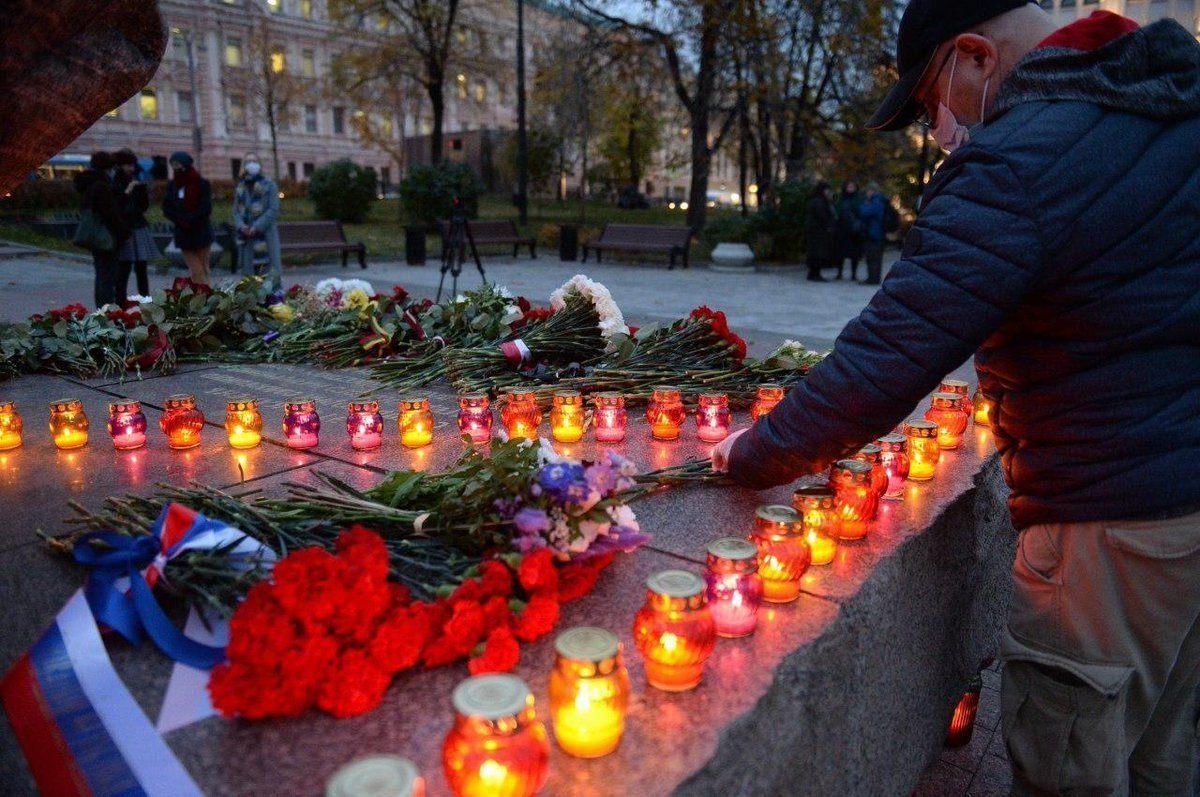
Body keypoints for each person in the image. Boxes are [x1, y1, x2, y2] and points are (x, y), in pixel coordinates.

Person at [714, 1, 1200, 792]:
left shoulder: (1021, 160)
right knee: (1164, 754)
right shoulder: (1171, 107)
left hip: (1109, 530)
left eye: (928, 102)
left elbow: (886, 360)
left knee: (1069, 758)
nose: (935, 131)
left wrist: (754, 451)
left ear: (975, 56)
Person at [73, 151, 129, 308]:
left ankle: (101, 310)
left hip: (95, 237)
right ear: (108, 168)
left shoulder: (88, 185)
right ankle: (106, 311)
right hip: (105, 237)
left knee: (101, 274)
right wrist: (124, 233)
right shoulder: (101, 186)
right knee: (107, 277)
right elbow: (110, 214)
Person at [162, 151, 213, 286]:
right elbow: (167, 208)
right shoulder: (173, 186)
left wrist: (191, 219)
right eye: (173, 165)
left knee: (204, 268)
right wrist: (180, 219)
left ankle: (206, 297)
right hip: (183, 234)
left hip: (200, 231)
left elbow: (206, 207)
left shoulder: (201, 183)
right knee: (196, 270)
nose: (176, 168)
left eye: (178, 164)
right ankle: (207, 297)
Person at [232, 153, 282, 291]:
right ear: (244, 166)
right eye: (248, 161)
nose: (251, 164)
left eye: (254, 161)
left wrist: (257, 226)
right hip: (247, 238)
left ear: (259, 164)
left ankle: (275, 303)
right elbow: (235, 212)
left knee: (270, 274)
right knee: (249, 279)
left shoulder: (269, 185)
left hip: (266, 237)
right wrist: (242, 226)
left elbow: (273, 209)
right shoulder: (240, 187)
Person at [112, 149, 154, 302]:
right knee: (124, 267)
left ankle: (146, 300)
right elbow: (118, 206)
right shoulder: (115, 182)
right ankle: (120, 302)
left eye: (132, 165)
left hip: (138, 225)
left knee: (142, 267)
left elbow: (143, 206)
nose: (130, 168)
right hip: (125, 229)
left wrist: (142, 192)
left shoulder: (136, 179)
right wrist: (128, 191)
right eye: (127, 165)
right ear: (120, 166)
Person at [803, 181, 837, 282]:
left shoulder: (817, 200)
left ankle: (813, 273)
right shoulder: (819, 201)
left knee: (816, 253)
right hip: (818, 232)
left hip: (816, 232)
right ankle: (815, 273)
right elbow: (822, 216)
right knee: (817, 253)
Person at [856, 184, 888, 285]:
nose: (867, 194)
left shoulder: (876, 201)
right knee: (874, 258)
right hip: (877, 233)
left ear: (872, 191)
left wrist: (863, 205)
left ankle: (873, 279)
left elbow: (864, 212)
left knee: (873, 257)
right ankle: (873, 278)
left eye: (868, 191)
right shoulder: (880, 201)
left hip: (874, 233)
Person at [834, 181, 865, 280]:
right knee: (840, 253)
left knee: (854, 254)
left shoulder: (858, 198)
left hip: (854, 230)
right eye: (849, 186)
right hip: (842, 229)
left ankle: (853, 274)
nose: (850, 188)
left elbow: (861, 211)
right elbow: (837, 211)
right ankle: (839, 273)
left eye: (852, 186)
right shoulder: (841, 198)